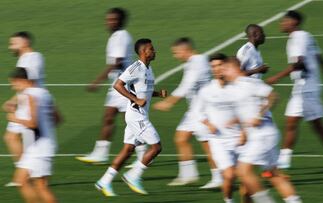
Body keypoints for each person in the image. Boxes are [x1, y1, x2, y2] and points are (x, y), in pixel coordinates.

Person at [266, 10, 323, 172]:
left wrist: (276, 77)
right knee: (307, 124)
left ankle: (283, 162)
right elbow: (320, 59)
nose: (281, 23)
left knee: (299, 123)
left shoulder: (298, 38)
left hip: (305, 88)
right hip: (307, 87)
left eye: (284, 21)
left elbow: (299, 64)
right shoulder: (307, 36)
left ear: (294, 22)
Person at [223, 57, 302, 203]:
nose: (223, 74)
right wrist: (243, 131)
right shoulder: (234, 88)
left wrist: (259, 115)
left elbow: (273, 96)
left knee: (243, 171)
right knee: (273, 175)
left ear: (234, 68)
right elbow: (245, 113)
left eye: (225, 70)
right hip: (260, 135)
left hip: (263, 134)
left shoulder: (250, 83)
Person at [95, 38, 166, 196]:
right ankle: (133, 176)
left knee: (127, 150)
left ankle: (104, 182)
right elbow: (117, 85)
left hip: (138, 115)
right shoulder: (135, 68)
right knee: (156, 147)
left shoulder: (149, 69)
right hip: (136, 117)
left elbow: (143, 92)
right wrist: (135, 100)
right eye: (151, 49)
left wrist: (157, 94)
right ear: (142, 52)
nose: (154, 51)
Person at [76, 8, 147, 165]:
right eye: (108, 19)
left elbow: (118, 61)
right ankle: (101, 153)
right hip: (117, 86)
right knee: (108, 117)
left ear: (121, 21)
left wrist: (97, 80)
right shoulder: (116, 36)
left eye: (113, 19)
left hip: (124, 86)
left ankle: (143, 155)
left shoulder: (121, 36)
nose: (109, 22)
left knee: (130, 121)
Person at [153, 38, 222, 189]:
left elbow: (186, 86)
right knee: (181, 138)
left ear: (185, 50)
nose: (175, 56)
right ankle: (188, 175)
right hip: (194, 110)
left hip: (203, 110)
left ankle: (219, 178)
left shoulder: (196, 63)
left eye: (176, 52)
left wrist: (168, 102)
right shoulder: (195, 61)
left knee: (207, 145)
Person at [196, 53, 249, 203]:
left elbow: (248, 112)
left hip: (240, 139)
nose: (217, 69)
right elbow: (198, 113)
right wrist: (208, 124)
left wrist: (244, 132)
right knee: (230, 174)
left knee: (246, 182)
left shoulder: (238, 88)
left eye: (219, 65)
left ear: (226, 66)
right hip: (219, 141)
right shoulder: (206, 90)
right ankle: (228, 200)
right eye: (213, 66)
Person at [8, 67, 58, 203]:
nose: (13, 87)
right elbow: (58, 119)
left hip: (39, 148)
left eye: (13, 83)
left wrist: (14, 118)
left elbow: (32, 124)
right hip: (39, 146)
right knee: (22, 181)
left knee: (40, 186)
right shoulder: (46, 93)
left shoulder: (27, 96)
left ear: (20, 80)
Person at [4, 31, 46, 187]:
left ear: (24, 42)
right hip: (25, 103)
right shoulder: (25, 58)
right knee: (14, 138)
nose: (11, 47)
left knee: (18, 139)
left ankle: (26, 176)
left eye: (13, 43)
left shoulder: (32, 58)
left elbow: (30, 83)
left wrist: (12, 101)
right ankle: (25, 175)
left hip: (30, 104)